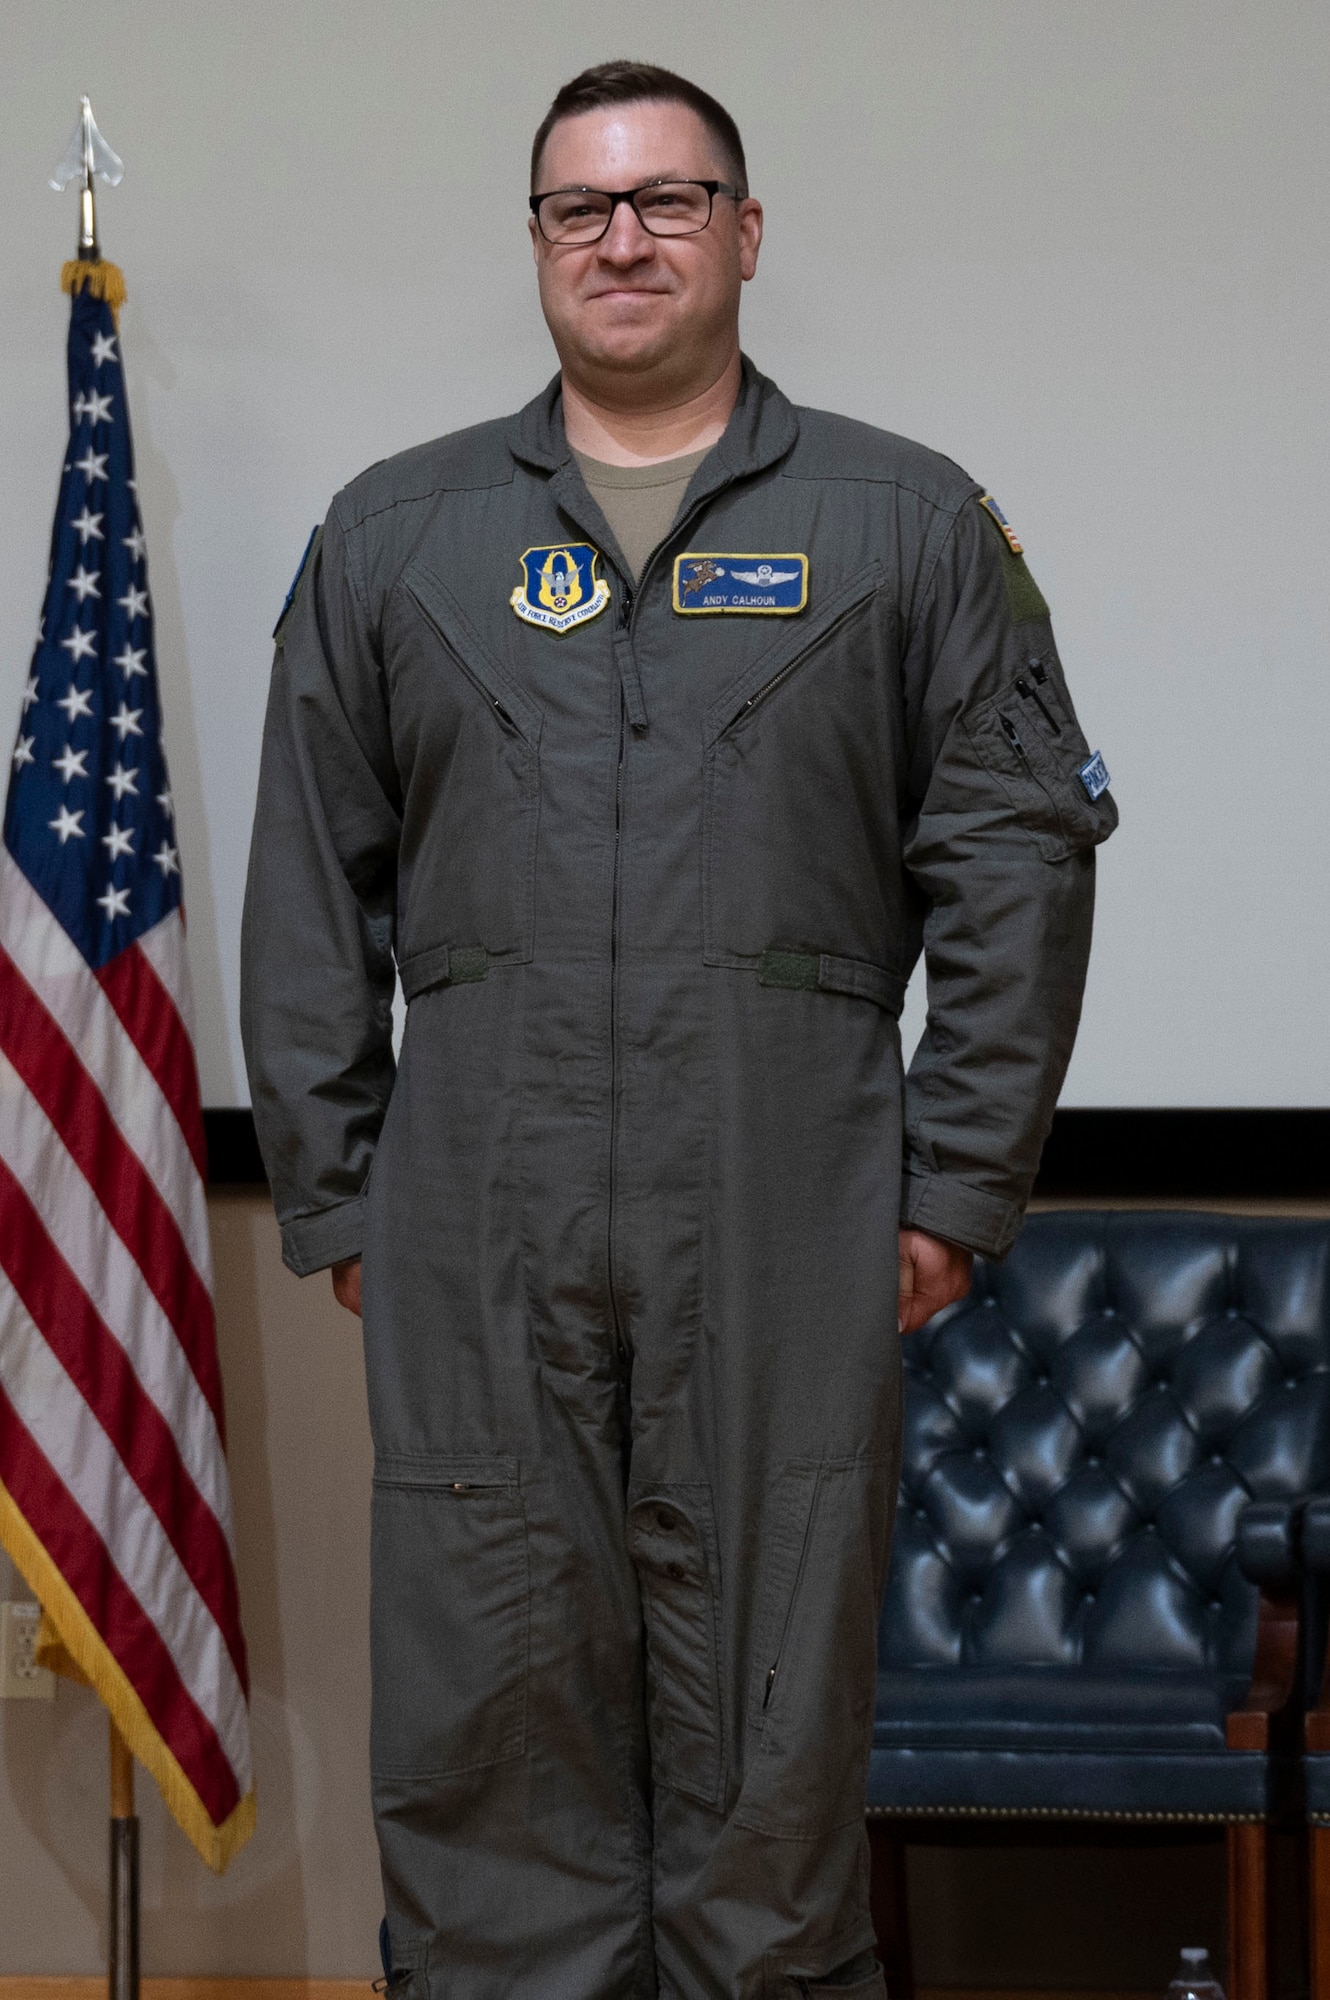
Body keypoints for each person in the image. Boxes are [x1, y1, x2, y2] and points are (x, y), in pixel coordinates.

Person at [241, 59, 1117, 1999]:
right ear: (536, 244)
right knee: (486, 1712)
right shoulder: (399, 539)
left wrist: (953, 1188)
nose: (619, 237)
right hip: (479, 1231)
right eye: (578, 206)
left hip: (785, 1223)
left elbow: (1018, 859)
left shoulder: (903, 524)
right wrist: (345, 1197)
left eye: (663, 198)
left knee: (768, 1742)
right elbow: (309, 885)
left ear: (740, 231)